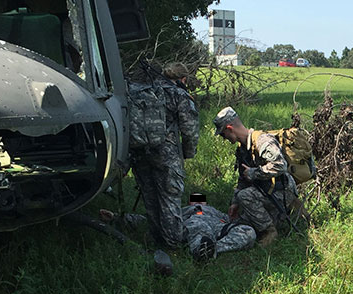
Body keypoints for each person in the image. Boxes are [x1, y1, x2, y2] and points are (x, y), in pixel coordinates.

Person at [128, 62, 200, 250]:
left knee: (149, 195)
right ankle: (173, 244)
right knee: (170, 197)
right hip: (167, 154)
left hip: (139, 151)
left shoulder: (142, 91)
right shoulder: (179, 95)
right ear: (183, 79)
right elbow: (190, 130)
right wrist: (188, 153)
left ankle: (155, 239)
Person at [212, 107, 298, 246]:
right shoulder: (242, 149)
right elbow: (242, 178)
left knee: (245, 196)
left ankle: (269, 231)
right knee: (242, 221)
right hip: (268, 190)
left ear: (229, 128)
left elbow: (280, 165)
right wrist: (234, 203)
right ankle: (272, 218)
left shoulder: (262, 141)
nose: (224, 139)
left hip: (282, 192)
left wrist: (254, 173)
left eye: (223, 134)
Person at [101, 200, 257, 261]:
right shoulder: (184, 211)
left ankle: (212, 249)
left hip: (217, 228)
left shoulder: (215, 211)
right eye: (194, 199)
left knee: (248, 231)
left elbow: (233, 223)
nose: (198, 202)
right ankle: (200, 250)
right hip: (191, 227)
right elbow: (148, 221)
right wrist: (116, 217)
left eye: (201, 200)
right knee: (198, 226)